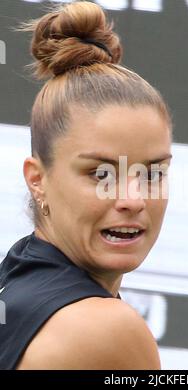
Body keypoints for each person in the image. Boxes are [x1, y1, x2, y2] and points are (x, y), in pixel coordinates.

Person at [0, 0, 173, 370]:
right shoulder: (106, 330)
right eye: (101, 174)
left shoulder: (14, 285)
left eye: (153, 174)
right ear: (38, 180)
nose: (132, 199)